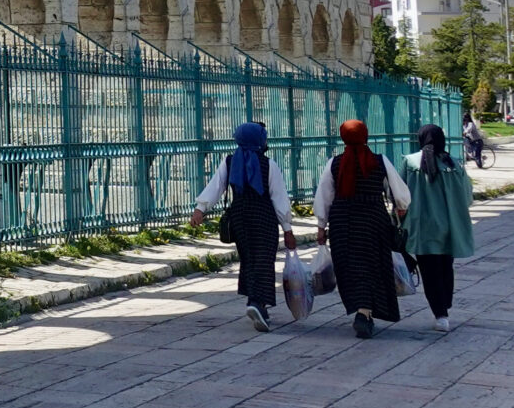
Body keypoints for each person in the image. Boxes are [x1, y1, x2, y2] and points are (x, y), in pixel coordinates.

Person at [192, 120, 296, 331]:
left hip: (239, 216)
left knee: (248, 258)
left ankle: (253, 299)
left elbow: (216, 186)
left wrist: (200, 209)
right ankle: (259, 303)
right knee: (264, 260)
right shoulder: (269, 165)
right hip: (263, 217)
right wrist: (287, 228)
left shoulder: (230, 162)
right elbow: (279, 198)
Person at [315, 118, 411, 339]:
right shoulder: (380, 161)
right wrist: (401, 209)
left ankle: (361, 310)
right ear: (365, 135)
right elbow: (400, 194)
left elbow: (324, 198)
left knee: (349, 267)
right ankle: (364, 312)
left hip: (342, 222)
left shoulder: (334, 163)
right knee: (371, 265)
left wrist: (321, 226)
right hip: (372, 220)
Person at [401, 122, 475, 333]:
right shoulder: (454, 164)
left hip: (423, 228)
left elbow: (400, 197)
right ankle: (445, 304)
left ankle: (440, 313)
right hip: (449, 228)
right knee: (445, 267)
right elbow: (467, 197)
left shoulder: (410, 162)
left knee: (429, 272)